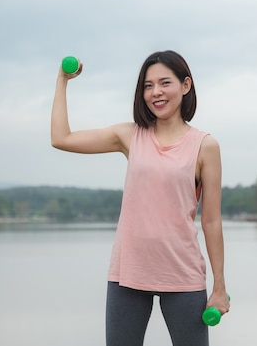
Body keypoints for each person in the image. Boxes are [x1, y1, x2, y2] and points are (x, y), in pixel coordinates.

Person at [51, 50, 229, 346]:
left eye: (164, 83)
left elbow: (211, 220)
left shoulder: (205, 146)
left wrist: (219, 285)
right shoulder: (129, 135)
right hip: (128, 273)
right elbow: (61, 138)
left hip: (182, 274)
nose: (155, 92)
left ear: (186, 86)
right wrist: (62, 80)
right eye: (148, 86)